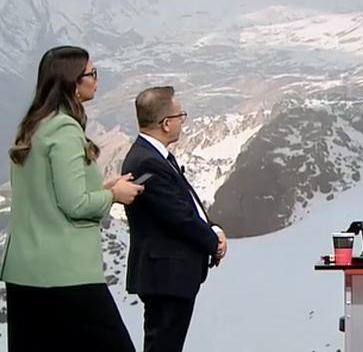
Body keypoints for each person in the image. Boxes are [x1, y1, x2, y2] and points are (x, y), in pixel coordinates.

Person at [0, 45, 143, 351]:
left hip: (23, 270)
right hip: (65, 272)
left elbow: (46, 194)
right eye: (92, 73)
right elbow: (75, 205)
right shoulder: (64, 130)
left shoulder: (30, 128)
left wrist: (103, 186)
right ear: (72, 82)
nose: (96, 80)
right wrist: (112, 195)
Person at [122, 86, 227, 352]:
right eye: (181, 116)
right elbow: (177, 216)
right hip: (165, 274)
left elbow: (186, 202)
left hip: (171, 274)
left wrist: (212, 227)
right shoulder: (146, 161)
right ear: (166, 123)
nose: (183, 121)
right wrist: (211, 241)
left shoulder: (156, 156)